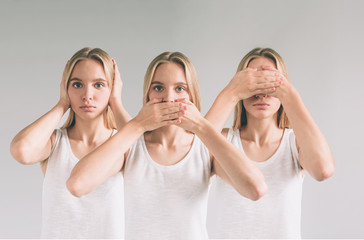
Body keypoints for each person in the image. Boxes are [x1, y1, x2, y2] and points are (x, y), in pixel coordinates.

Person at [66, 51, 268, 240]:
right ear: (148, 95)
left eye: (180, 88)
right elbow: (77, 185)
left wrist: (200, 126)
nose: (169, 98)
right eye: (158, 88)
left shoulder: (203, 149)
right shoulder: (131, 148)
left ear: (192, 96)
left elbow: (256, 189)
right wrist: (138, 124)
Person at [206, 47, 335, 239]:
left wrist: (289, 94)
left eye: (268, 83)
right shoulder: (224, 140)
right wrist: (231, 92)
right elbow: (191, 153)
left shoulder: (295, 143)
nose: (261, 94)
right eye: (253, 84)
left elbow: (323, 169)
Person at [10, 47, 130, 238]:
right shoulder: (54, 143)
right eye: (77, 84)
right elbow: (21, 150)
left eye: (99, 85)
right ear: (66, 87)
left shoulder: (121, 144)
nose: (87, 95)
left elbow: (144, 152)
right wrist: (62, 104)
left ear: (112, 87)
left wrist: (116, 103)